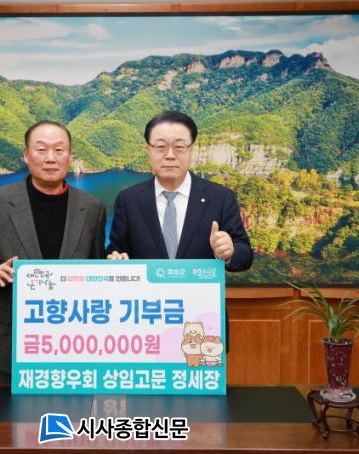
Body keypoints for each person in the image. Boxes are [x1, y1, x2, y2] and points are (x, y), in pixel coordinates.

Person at [0, 120, 106, 383]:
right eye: (41, 149)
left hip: (78, 342)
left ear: (70, 155)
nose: (50, 158)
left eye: (59, 150)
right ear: (26, 154)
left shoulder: (92, 207)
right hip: (17, 343)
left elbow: (97, 266)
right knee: (16, 411)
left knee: (76, 409)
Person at [107, 110, 253, 351]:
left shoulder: (220, 197)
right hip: (146, 321)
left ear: (191, 150)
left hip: (203, 322)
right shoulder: (129, 199)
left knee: (199, 375)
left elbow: (244, 255)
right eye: (160, 146)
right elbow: (117, 249)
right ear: (148, 150)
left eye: (179, 147)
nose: (170, 155)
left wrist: (228, 252)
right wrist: (116, 259)